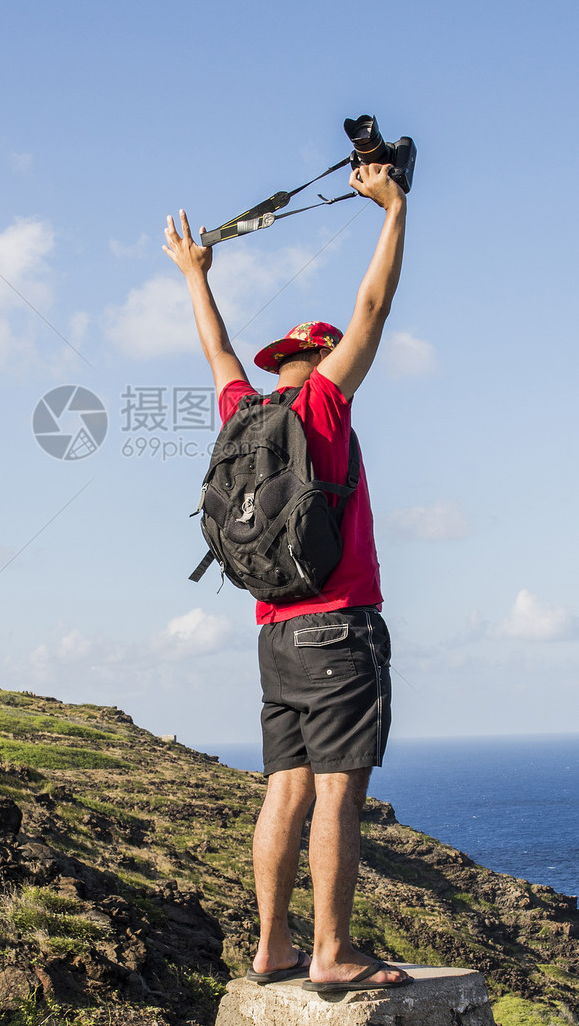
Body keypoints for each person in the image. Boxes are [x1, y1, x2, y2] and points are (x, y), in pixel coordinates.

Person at [162, 162, 412, 993]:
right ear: (326, 356)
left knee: (286, 794)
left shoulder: (245, 412)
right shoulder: (326, 409)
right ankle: (332, 954)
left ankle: (271, 948)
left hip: (274, 634)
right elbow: (372, 308)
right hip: (340, 627)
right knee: (339, 797)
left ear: (283, 364)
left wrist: (195, 274)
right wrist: (393, 211)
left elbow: (218, 348)